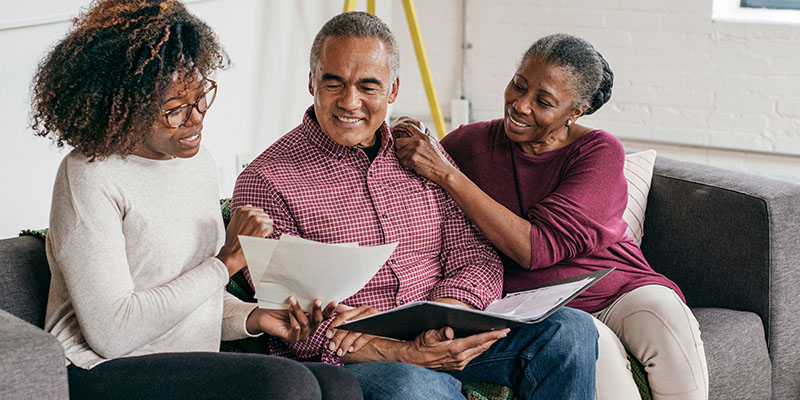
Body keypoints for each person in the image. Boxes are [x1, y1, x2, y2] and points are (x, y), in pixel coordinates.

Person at [232, 12, 598, 400]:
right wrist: (404, 351)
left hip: (442, 329)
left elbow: (475, 256)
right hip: (357, 359)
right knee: (413, 385)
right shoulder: (266, 180)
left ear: (393, 90)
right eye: (333, 82)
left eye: (368, 86)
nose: (350, 101)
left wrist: (442, 316)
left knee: (569, 331)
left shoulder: (423, 157)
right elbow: (293, 322)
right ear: (311, 82)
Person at [31, 1, 363, 399]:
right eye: (174, 110)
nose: (196, 119)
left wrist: (257, 319)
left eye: (201, 96)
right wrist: (225, 263)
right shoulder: (89, 175)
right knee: (284, 384)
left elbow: (192, 302)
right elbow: (114, 333)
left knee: (337, 383)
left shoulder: (196, 162)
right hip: (98, 369)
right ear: (125, 109)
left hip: (184, 361)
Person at [393, 33, 709, 400]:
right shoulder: (469, 144)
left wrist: (450, 176)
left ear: (575, 112)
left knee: (665, 318)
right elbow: (411, 182)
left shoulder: (598, 151)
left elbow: (536, 248)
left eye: (543, 101)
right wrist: (403, 133)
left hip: (618, 288)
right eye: (518, 85)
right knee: (591, 346)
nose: (520, 105)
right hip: (540, 308)